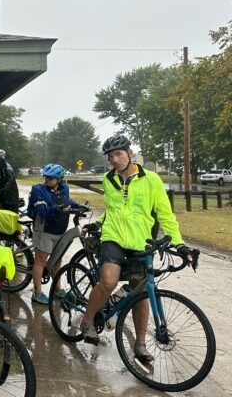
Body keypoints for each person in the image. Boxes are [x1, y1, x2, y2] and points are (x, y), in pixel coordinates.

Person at [79, 135, 193, 362]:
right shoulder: (107, 179)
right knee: (109, 281)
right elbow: (113, 210)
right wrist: (99, 224)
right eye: (111, 156)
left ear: (130, 152)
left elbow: (165, 214)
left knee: (140, 294)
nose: (114, 159)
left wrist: (179, 242)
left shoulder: (151, 179)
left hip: (141, 242)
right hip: (113, 238)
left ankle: (140, 344)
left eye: (118, 154)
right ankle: (88, 320)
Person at [27, 163, 81, 305]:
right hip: (44, 231)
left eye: (51, 178)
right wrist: (58, 208)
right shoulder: (39, 190)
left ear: (59, 179)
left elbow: (66, 201)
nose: (47, 180)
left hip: (59, 231)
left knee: (57, 261)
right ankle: (37, 292)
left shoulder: (63, 189)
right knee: (40, 262)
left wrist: (78, 206)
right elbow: (41, 211)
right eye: (46, 178)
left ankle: (57, 289)